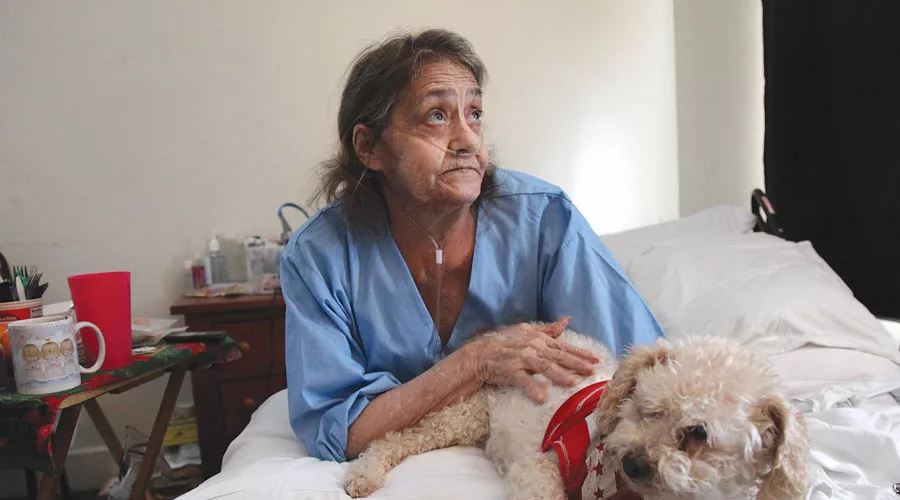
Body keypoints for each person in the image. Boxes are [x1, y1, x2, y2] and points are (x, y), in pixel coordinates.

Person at [281, 28, 665, 463]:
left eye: (475, 113)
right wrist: (474, 361)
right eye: (437, 116)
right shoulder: (319, 255)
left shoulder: (543, 219)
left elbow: (644, 364)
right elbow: (340, 432)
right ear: (370, 147)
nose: (468, 139)